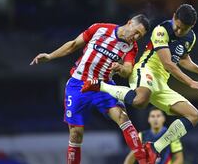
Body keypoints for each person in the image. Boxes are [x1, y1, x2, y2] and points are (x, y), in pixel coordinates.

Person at [82, 4, 198, 163]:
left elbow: (182, 58)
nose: (179, 31)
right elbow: (168, 63)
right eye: (178, 27)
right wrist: (191, 82)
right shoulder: (161, 30)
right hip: (146, 71)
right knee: (140, 101)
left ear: (192, 27)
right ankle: (100, 85)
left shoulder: (191, 38)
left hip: (162, 83)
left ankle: (154, 148)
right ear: (174, 17)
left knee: (193, 115)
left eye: (184, 29)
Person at [30, 14, 150, 164]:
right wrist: (50, 56)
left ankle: (144, 161)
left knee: (123, 118)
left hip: (103, 86)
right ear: (130, 23)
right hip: (78, 85)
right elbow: (73, 45)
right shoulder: (100, 28)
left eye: (140, 35)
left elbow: (128, 69)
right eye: (137, 32)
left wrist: (120, 68)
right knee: (76, 134)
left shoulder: (132, 47)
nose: (137, 37)